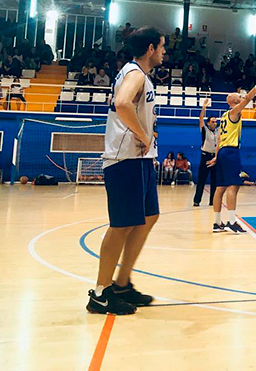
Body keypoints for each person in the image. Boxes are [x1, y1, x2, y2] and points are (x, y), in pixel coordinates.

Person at [86, 27, 164, 315]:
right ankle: (100, 293)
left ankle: (121, 283)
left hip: (139, 160)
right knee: (121, 225)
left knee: (148, 217)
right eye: (162, 47)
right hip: (125, 159)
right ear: (151, 48)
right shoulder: (135, 74)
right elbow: (121, 104)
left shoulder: (137, 74)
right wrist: (145, 136)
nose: (165, 52)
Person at [209, 83, 256, 233]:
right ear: (233, 101)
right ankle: (232, 222)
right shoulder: (233, 112)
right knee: (234, 186)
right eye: (238, 96)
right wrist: (255, 89)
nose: (241, 98)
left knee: (220, 188)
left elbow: (219, 139)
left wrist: (216, 156)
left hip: (222, 153)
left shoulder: (224, 116)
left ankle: (216, 223)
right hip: (231, 152)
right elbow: (247, 100)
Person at [193, 99, 218, 206]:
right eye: (212, 121)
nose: (214, 123)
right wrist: (204, 107)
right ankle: (196, 201)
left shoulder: (219, 131)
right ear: (208, 123)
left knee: (215, 181)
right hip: (205, 156)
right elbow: (200, 119)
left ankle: (212, 201)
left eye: (215, 121)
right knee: (201, 180)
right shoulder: (205, 130)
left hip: (215, 157)